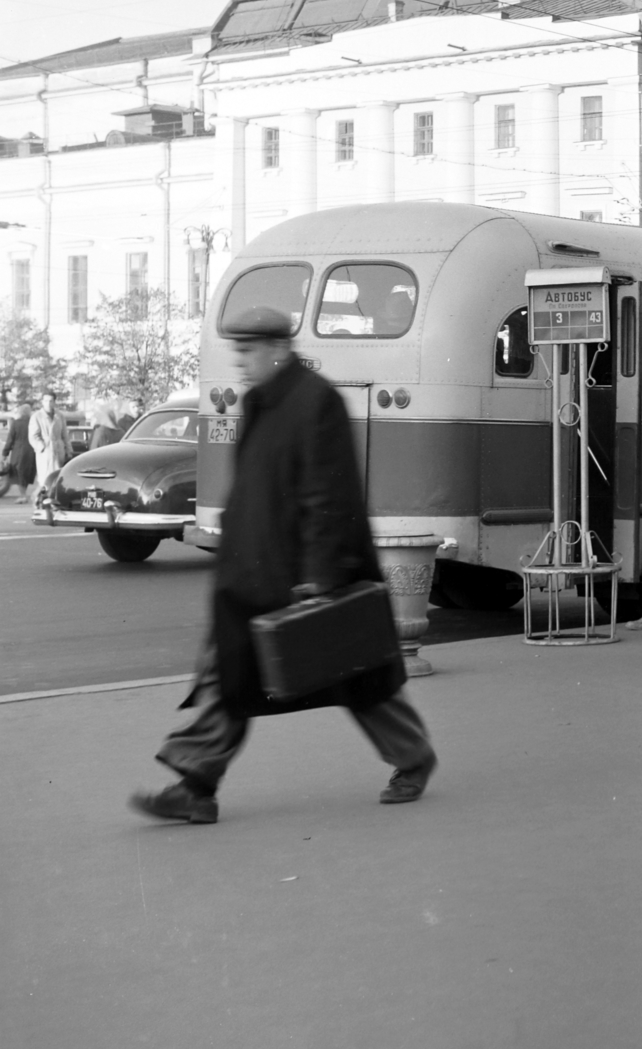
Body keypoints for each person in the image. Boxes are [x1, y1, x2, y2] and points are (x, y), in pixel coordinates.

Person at [129, 307, 437, 824]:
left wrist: (320, 576)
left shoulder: (319, 403)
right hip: (251, 570)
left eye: (247, 353)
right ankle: (196, 785)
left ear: (278, 348)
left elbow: (329, 495)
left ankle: (413, 756)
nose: (241, 364)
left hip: (301, 574)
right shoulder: (257, 402)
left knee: (358, 677)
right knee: (229, 675)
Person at [28, 390, 69, 501]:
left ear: (54, 402)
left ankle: (54, 500)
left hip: (58, 449)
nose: (48, 403)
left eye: (51, 401)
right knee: (45, 479)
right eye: (46, 401)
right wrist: (41, 446)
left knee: (57, 477)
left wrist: (68, 450)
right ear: (42, 402)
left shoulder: (59, 416)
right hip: (45, 452)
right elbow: (33, 435)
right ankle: (37, 499)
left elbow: (65, 434)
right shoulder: (37, 416)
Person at [3, 398, 35, 503]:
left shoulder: (16, 424)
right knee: (26, 473)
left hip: (18, 451)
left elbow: (10, 439)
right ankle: (25, 495)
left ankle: (23, 495)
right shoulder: (33, 422)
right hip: (31, 452)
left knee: (18, 473)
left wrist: (5, 453)